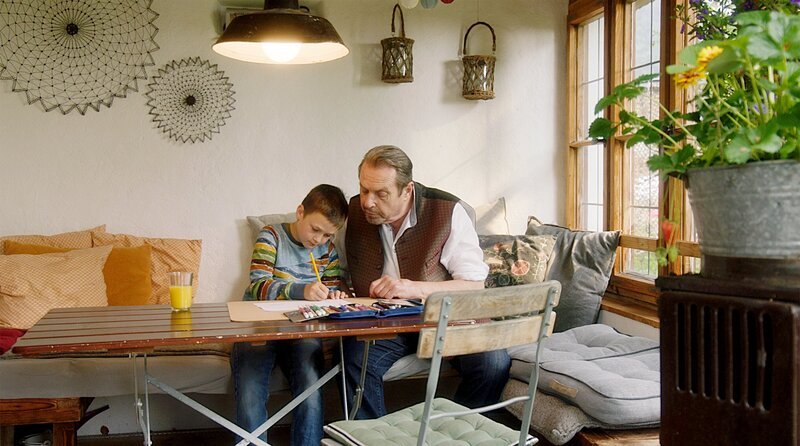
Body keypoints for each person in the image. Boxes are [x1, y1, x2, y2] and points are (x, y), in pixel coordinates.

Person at [342, 145, 510, 419]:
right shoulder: (353, 212)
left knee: (493, 363)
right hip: (384, 324)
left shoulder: (447, 210)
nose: (368, 202)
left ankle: (454, 431)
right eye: (363, 190)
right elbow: (332, 267)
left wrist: (414, 288)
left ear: (407, 190)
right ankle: (373, 438)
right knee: (353, 358)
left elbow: (474, 286)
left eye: (381, 194)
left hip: (444, 320)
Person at [231, 184, 350, 446]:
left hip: (303, 329)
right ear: (300, 212)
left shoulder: (328, 251)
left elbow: (332, 287)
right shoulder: (271, 235)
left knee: (311, 388)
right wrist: (301, 290)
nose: (318, 239)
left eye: (327, 234)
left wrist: (335, 295)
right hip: (258, 326)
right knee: (250, 391)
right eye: (315, 229)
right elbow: (259, 285)